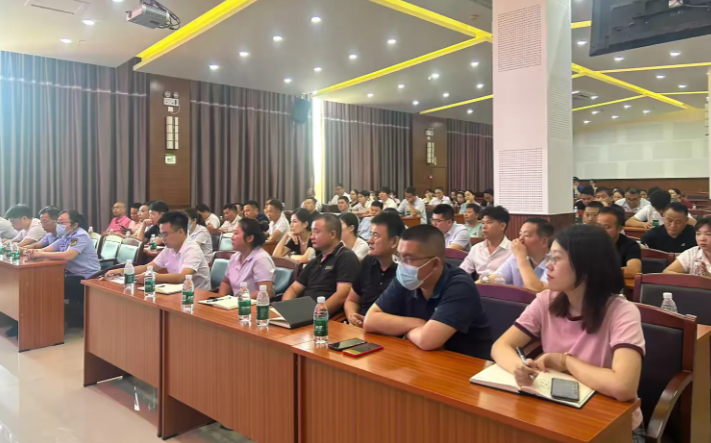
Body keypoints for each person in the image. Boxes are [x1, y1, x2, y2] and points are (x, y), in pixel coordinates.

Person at [490, 224, 645, 440]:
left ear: (585, 265)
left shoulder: (622, 312)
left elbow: (623, 387)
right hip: (558, 412)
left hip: (613, 425)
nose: (548, 266)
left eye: (556, 259)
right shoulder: (546, 300)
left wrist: (565, 361)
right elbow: (500, 346)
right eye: (549, 258)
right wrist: (520, 368)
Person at [363, 225, 491, 358]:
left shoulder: (460, 286)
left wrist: (407, 331)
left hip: (465, 364)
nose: (402, 265)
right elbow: (370, 320)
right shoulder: (405, 279)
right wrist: (418, 324)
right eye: (400, 257)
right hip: (421, 357)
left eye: (409, 258)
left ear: (435, 263)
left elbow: (428, 341)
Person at [25, 210, 101, 329]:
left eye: (62, 223)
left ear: (74, 224)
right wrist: (33, 251)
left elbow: (68, 255)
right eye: (58, 222)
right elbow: (47, 249)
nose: (59, 226)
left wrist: (40, 254)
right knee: (42, 283)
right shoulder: (66, 236)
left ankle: (53, 325)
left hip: (87, 278)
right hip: (72, 275)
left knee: (47, 287)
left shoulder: (80, 235)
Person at [107, 211, 211, 290]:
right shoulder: (169, 248)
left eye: (165, 234)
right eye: (161, 234)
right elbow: (147, 267)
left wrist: (152, 277)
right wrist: (121, 271)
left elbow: (182, 277)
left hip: (195, 296)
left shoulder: (192, 249)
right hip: (175, 291)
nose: (163, 238)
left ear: (181, 232)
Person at [282, 213, 360, 314]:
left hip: (324, 317)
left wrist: (316, 314)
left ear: (332, 234)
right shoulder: (315, 261)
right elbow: (293, 289)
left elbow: (342, 295)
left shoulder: (346, 257)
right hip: (302, 313)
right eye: (312, 232)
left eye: (316, 232)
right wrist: (288, 310)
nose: (312, 237)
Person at [344, 212, 405, 328]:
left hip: (389, 332)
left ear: (394, 242)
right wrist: (353, 317)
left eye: (376, 235)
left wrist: (370, 323)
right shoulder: (368, 261)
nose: (370, 240)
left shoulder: (405, 271)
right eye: (371, 234)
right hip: (360, 329)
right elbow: (352, 300)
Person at [217, 218, 275, 298]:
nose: (232, 237)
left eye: (236, 233)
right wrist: (220, 299)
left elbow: (266, 291)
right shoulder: (234, 257)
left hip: (251, 304)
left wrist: (242, 302)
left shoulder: (261, 259)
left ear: (249, 238)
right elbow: (226, 282)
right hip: (234, 303)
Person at [493, 218, 553, 292]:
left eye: (526, 235)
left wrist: (521, 257)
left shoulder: (554, 263)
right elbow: (495, 278)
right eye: (520, 234)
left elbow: (536, 290)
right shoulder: (515, 258)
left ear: (544, 242)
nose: (520, 239)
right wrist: (484, 280)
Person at [461, 206, 512, 278]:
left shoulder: (513, 251)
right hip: (478, 285)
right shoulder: (476, 249)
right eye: (482, 223)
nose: (484, 227)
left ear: (502, 226)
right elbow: (462, 272)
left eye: (488, 222)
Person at [598, 207, 642, 279]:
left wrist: (599, 272)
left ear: (619, 229)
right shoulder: (589, 242)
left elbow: (634, 271)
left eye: (606, 227)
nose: (601, 230)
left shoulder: (630, 245)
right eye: (598, 226)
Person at [626, 190, 696, 228]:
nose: (661, 212)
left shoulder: (676, 207)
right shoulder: (649, 208)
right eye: (658, 209)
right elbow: (629, 222)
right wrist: (643, 224)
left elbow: (694, 223)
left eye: (663, 209)